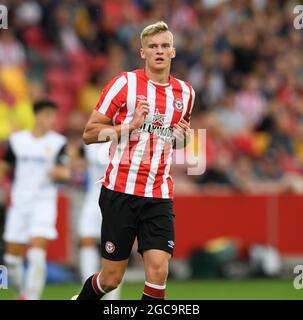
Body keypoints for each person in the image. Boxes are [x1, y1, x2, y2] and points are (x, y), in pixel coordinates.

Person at [73, 21, 195, 300]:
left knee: (159, 270)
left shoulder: (186, 94)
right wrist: (129, 126)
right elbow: (89, 134)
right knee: (111, 279)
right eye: (153, 46)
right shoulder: (124, 84)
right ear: (142, 53)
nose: (159, 51)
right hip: (120, 192)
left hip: (158, 193)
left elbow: (178, 138)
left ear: (174, 52)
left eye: (165, 46)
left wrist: (184, 140)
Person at [0, 100, 70, 300]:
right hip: (20, 203)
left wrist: (60, 172)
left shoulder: (58, 142)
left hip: (44, 203)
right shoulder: (18, 141)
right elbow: (0, 169)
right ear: (37, 116)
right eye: (48, 115)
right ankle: (22, 292)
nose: (52, 120)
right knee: (12, 259)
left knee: (35, 252)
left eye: (53, 115)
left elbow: (66, 171)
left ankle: (32, 297)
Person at [77, 141, 121, 300]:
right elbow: (78, 164)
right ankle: (88, 292)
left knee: (114, 247)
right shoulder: (89, 142)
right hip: (93, 197)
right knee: (86, 240)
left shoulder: (126, 138)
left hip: (117, 198)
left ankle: (113, 299)